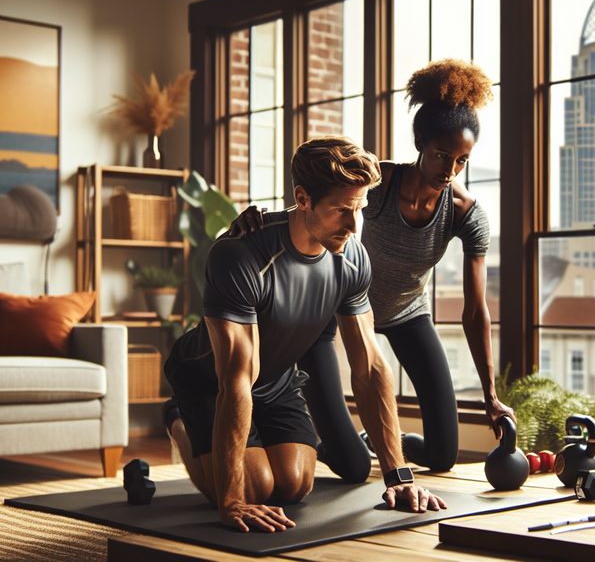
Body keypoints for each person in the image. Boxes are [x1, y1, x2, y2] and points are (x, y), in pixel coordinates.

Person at [232, 59, 515, 478]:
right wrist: (256, 219)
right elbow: (316, 209)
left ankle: (380, 442)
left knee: (442, 457)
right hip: (332, 314)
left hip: (407, 313)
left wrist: (491, 395)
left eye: (461, 160)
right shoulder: (377, 186)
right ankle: (323, 443)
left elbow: (475, 310)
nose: (449, 170)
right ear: (420, 141)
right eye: (441, 155)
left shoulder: (466, 215)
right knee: (351, 468)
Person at [162, 136, 447, 534]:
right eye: (341, 211)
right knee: (256, 488)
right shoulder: (240, 255)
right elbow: (236, 379)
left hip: (275, 381)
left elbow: (369, 366)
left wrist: (399, 475)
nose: (353, 225)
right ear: (303, 198)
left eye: (360, 209)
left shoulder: (351, 257)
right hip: (210, 382)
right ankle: (178, 419)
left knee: (294, 485)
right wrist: (231, 503)